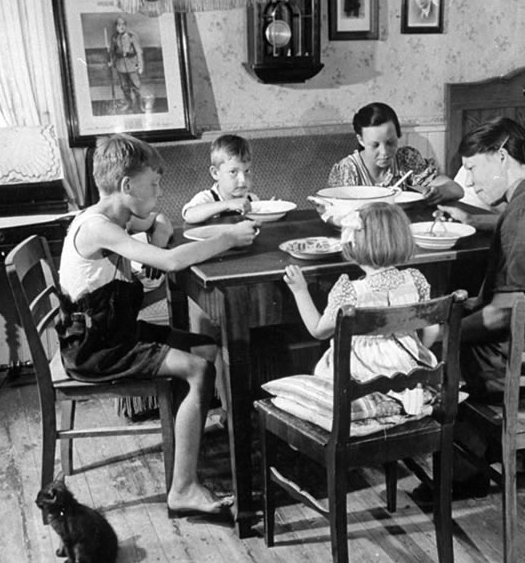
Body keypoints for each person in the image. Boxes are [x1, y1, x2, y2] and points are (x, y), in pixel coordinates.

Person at [56, 133, 258, 517]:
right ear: (126, 185)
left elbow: (157, 232)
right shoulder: (97, 227)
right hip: (96, 349)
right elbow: (168, 264)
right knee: (198, 369)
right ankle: (182, 489)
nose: (160, 190)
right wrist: (229, 237)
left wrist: (157, 230)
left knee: (205, 347)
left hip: (113, 332)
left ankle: (213, 436)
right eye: (154, 184)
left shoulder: (114, 218)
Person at [413, 117, 525, 502]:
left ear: (502, 156)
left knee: (436, 349)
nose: (469, 182)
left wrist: (442, 334)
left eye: (473, 168)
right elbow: (518, 226)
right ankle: (473, 460)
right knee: (457, 318)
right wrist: (475, 219)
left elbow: (504, 314)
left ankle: (460, 475)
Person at [283, 202, 439, 412]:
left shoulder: (349, 290)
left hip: (360, 379)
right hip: (407, 374)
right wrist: (411, 352)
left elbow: (318, 331)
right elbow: (432, 330)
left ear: (352, 243)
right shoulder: (415, 279)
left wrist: (299, 290)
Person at [327, 102, 464, 205]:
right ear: (361, 140)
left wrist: (439, 193)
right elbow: (337, 211)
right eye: (375, 145)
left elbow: (457, 189)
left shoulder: (406, 159)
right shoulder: (348, 169)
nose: (385, 152)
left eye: (390, 143)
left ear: (398, 135)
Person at [181, 134, 261, 224]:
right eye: (233, 172)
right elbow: (189, 215)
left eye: (247, 171)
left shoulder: (252, 199)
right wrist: (228, 204)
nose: (242, 180)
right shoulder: (207, 198)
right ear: (215, 173)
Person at [108, 17, 143, 112]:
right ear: (116, 27)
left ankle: (140, 106)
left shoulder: (131, 37)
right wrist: (111, 61)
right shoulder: (114, 38)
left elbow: (139, 52)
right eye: (119, 25)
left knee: (136, 86)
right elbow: (112, 51)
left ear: (126, 26)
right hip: (120, 66)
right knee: (125, 87)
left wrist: (140, 66)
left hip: (132, 65)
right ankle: (129, 104)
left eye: (123, 25)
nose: (121, 27)